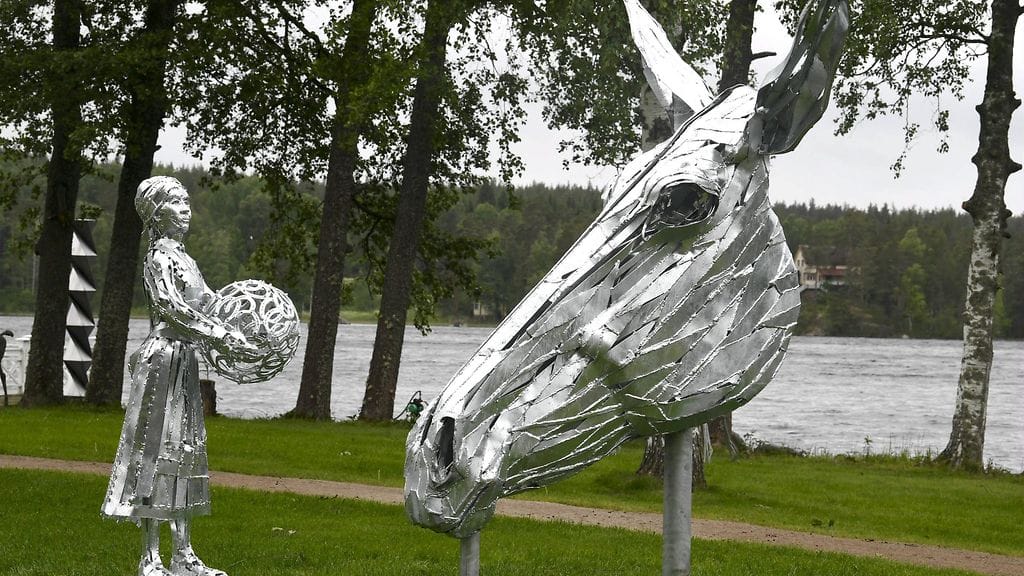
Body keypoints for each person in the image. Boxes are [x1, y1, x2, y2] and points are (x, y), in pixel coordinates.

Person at [102, 176, 257, 576]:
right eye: (176, 202)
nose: (186, 209)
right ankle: (150, 557)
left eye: (187, 201)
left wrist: (244, 320)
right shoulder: (157, 258)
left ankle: (184, 554)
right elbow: (172, 309)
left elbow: (206, 301)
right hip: (163, 361)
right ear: (157, 212)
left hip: (184, 361)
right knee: (154, 454)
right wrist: (221, 335)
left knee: (185, 453)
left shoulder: (186, 260)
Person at [0, 329, 12, 406]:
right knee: (2, 375)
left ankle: (6, 395)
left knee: (2, 375)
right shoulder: (2, 340)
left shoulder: (2, 340)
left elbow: (1, 352)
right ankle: (6, 395)